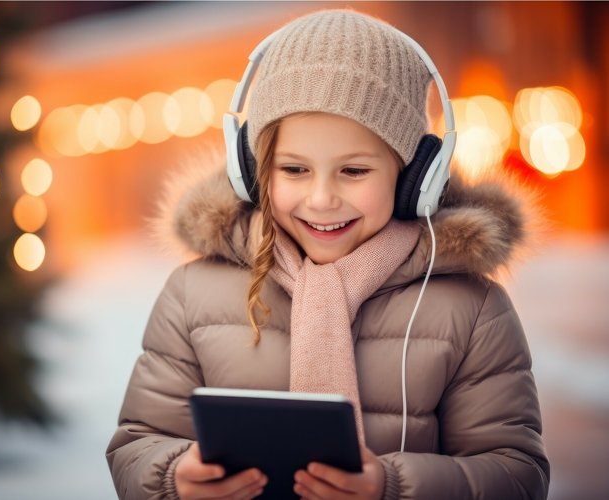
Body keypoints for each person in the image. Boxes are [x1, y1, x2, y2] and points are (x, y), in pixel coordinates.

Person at [107, 9, 549, 500]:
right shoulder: (193, 295)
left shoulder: (470, 311)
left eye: (354, 171)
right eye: (294, 170)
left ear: (413, 180)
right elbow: (135, 445)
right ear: (253, 172)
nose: (321, 199)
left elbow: (516, 475)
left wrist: (393, 486)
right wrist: (172, 478)